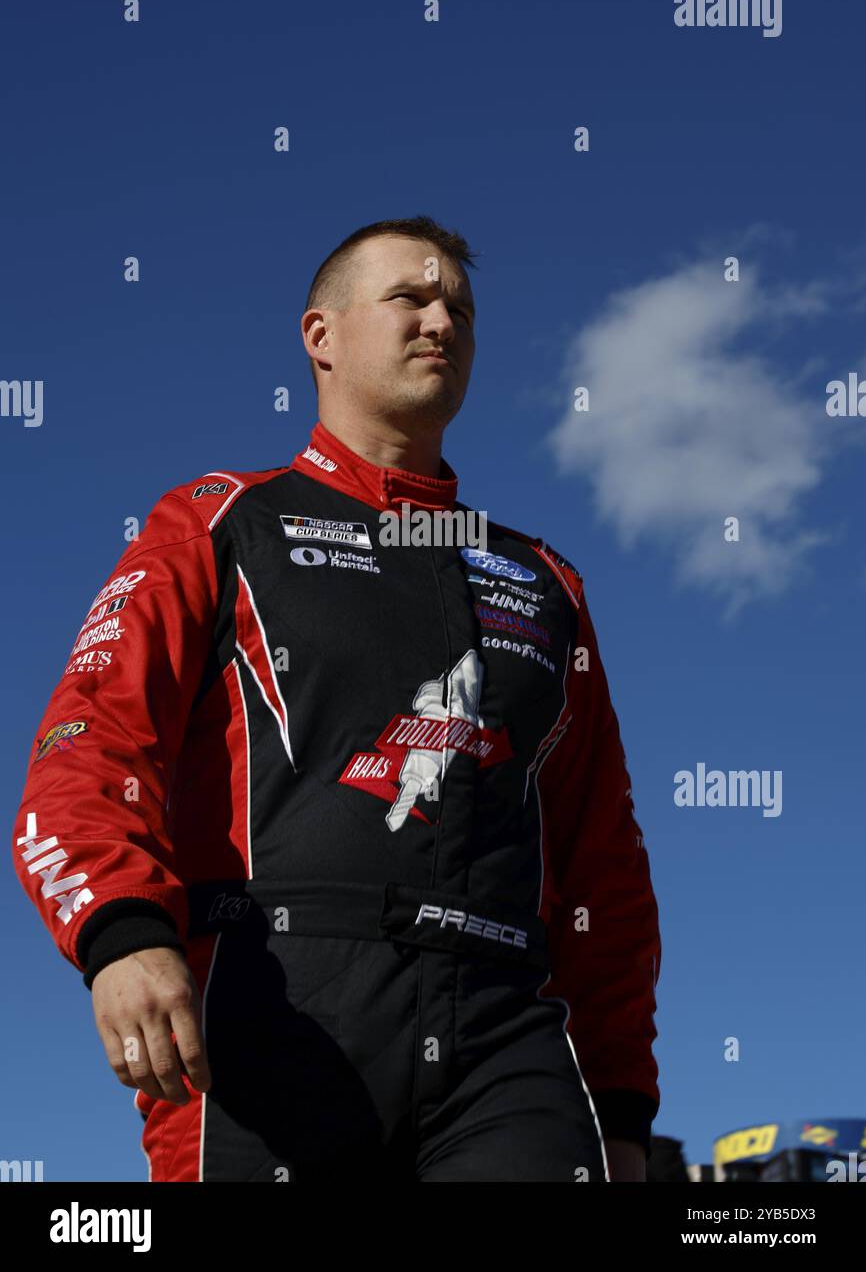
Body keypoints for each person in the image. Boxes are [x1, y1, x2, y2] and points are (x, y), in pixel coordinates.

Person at [12, 215, 661, 1183]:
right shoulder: (219, 522)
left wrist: (617, 1101)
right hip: (272, 1011)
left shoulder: (543, 583)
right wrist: (120, 932)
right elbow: (88, 743)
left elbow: (599, 862)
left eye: (460, 309)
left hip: (505, 1041)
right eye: (410, 297)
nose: (441, 320)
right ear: (320, 336)